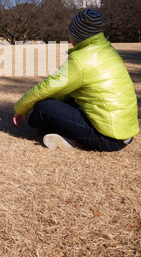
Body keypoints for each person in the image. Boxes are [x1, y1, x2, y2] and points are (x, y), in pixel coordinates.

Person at [13, 8, 139, 152]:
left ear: (77, 35)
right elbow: (68, 91)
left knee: (43, 107)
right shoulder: (107, 50)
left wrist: (21, 107)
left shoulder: (82, 59)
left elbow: (48, 87)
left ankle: (71, 139)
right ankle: (69, 136)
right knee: (62, 100)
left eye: (69, 32)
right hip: (125, 134)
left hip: (108, 139)